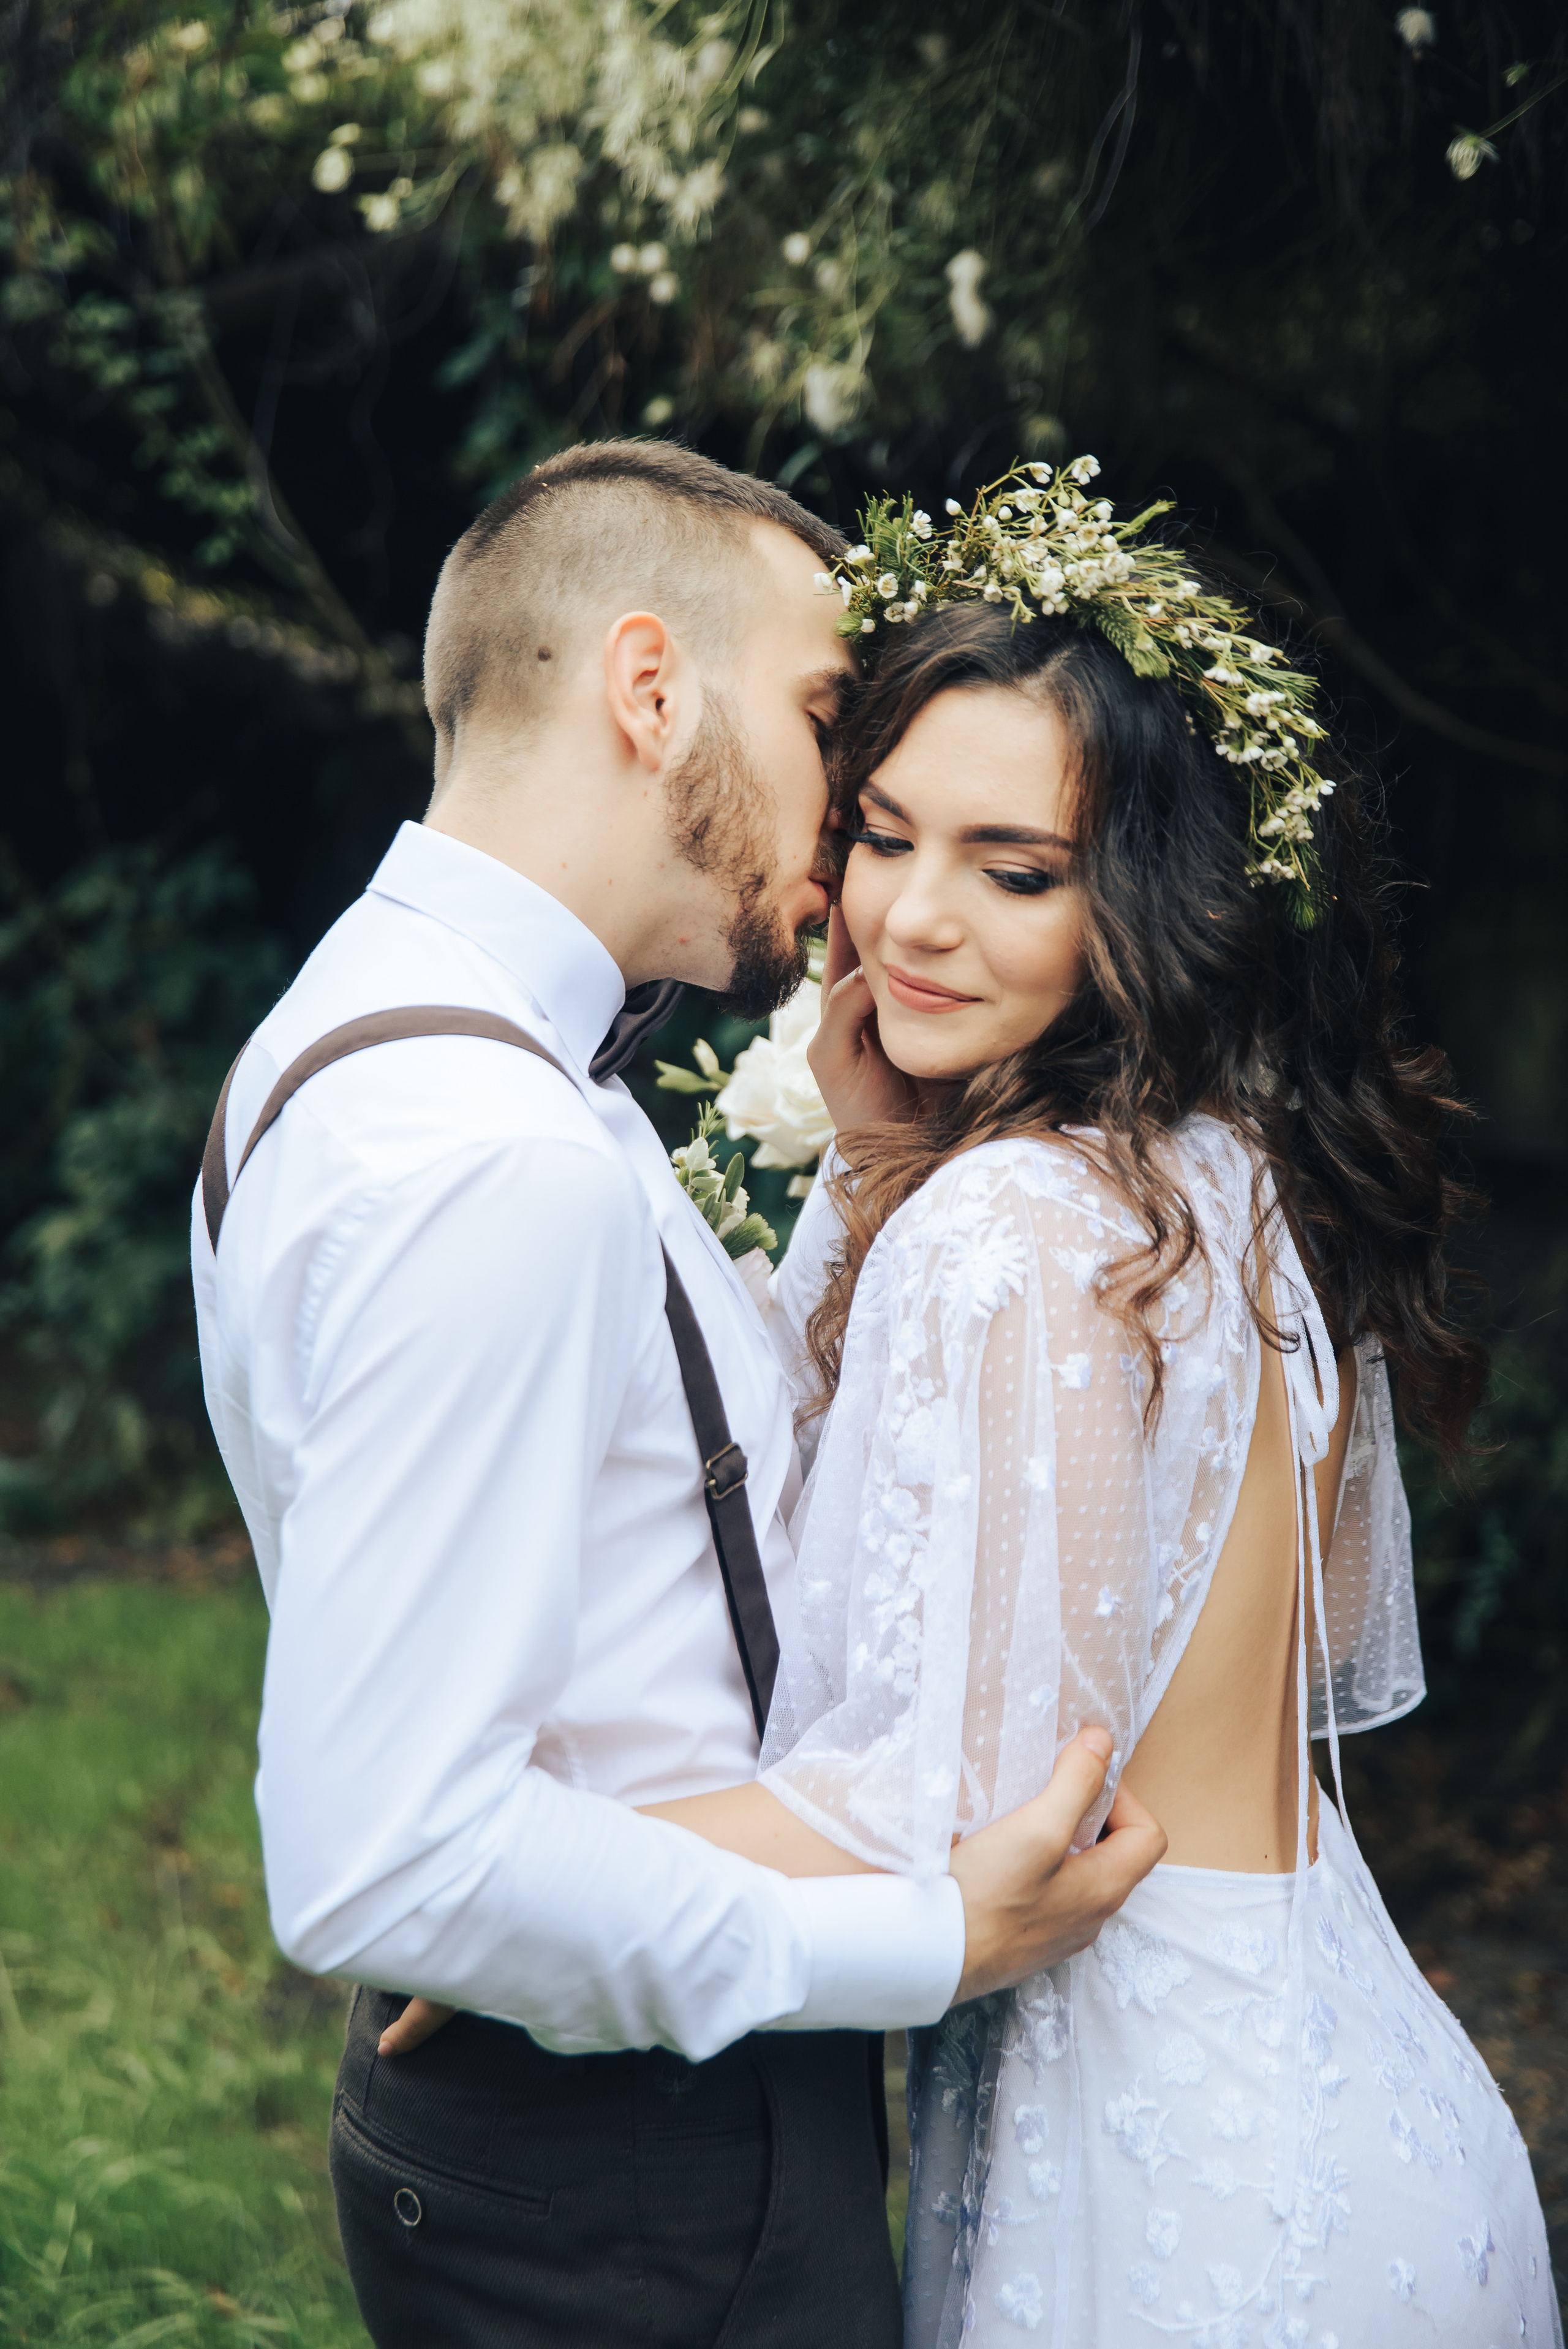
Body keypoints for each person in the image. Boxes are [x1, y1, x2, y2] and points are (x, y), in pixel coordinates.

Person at [562, 465, 1561, 2344]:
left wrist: (528, 1866)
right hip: (1365, 2103)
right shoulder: (1222, 1177)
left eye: (1014, 870)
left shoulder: (1023, 1226)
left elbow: (937, 1805)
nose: (913, 918)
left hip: (1160, 2181)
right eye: (879, 834)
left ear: (1147, 901)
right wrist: (865, 1177)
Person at [191, 439, 1164, 2349]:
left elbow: (686, 1495)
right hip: (634, 2162)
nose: (848, 843)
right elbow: (389, 1854)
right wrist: (930, 1936)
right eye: (825, 717)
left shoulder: (420, 1042)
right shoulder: (496, 1148)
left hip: (593, 2104)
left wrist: (863, 1180)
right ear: (652, 687)